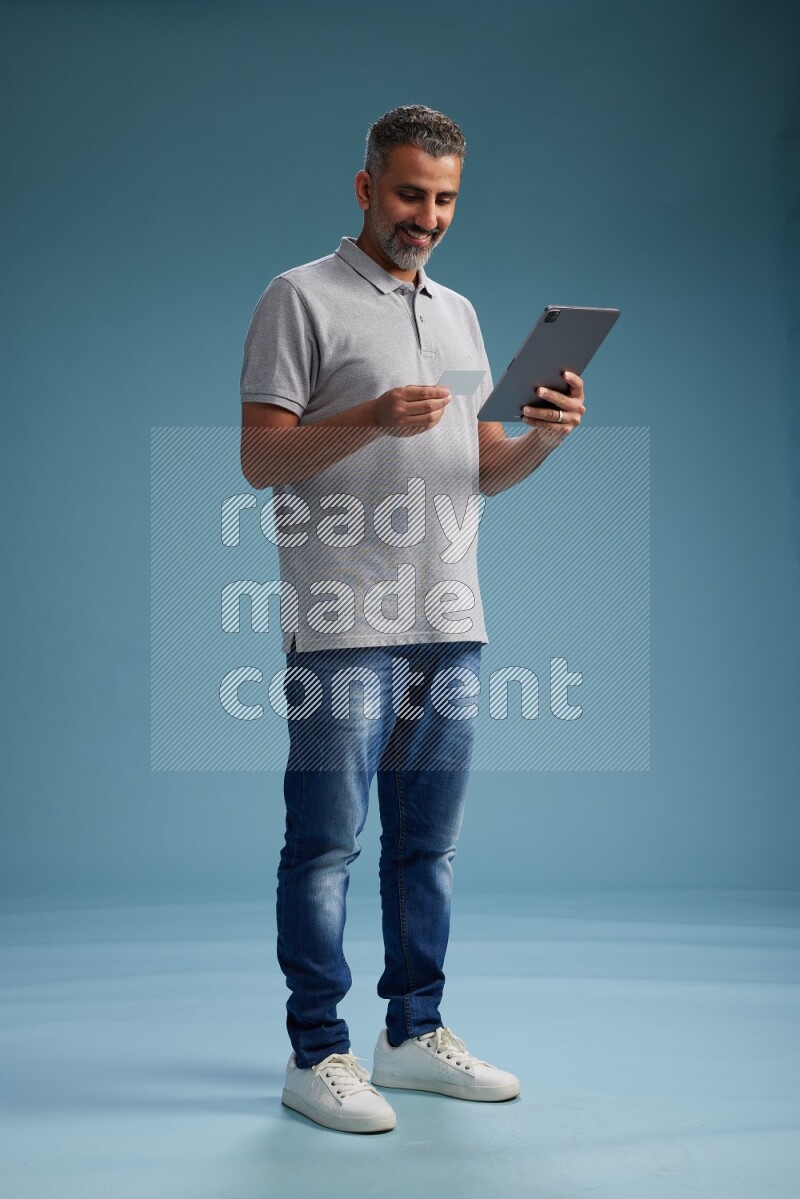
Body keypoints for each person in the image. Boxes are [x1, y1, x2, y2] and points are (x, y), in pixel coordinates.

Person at [240, 104, 585, 1134]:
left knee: (424, 848)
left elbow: (477, 467)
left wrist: (543, 439)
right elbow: (261, 458)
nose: (423, 216)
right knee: (325, 846)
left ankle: (409, 1032)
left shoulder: (460, 313)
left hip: (449, 612)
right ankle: (317, 1052)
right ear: (362, 188)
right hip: (342, 616)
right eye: (406, 193)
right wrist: (366, 417)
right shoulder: (297, 298)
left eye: (441, 198)